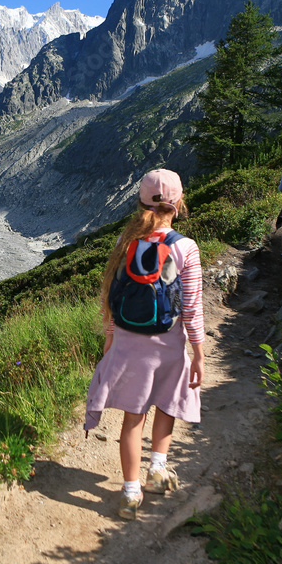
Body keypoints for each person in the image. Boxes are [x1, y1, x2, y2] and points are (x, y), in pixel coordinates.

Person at [84, 169, 204, 520]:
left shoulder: (126, 240)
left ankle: (130, 492)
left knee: (132, 420)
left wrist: (110, 337)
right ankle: (157, 470)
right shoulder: (186, 247)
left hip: (127, 343)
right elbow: (192, 308)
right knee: (167, 404)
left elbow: (111, 293)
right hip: (168, 346)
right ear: (178, 203)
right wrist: (198, 353)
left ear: (140, 202)